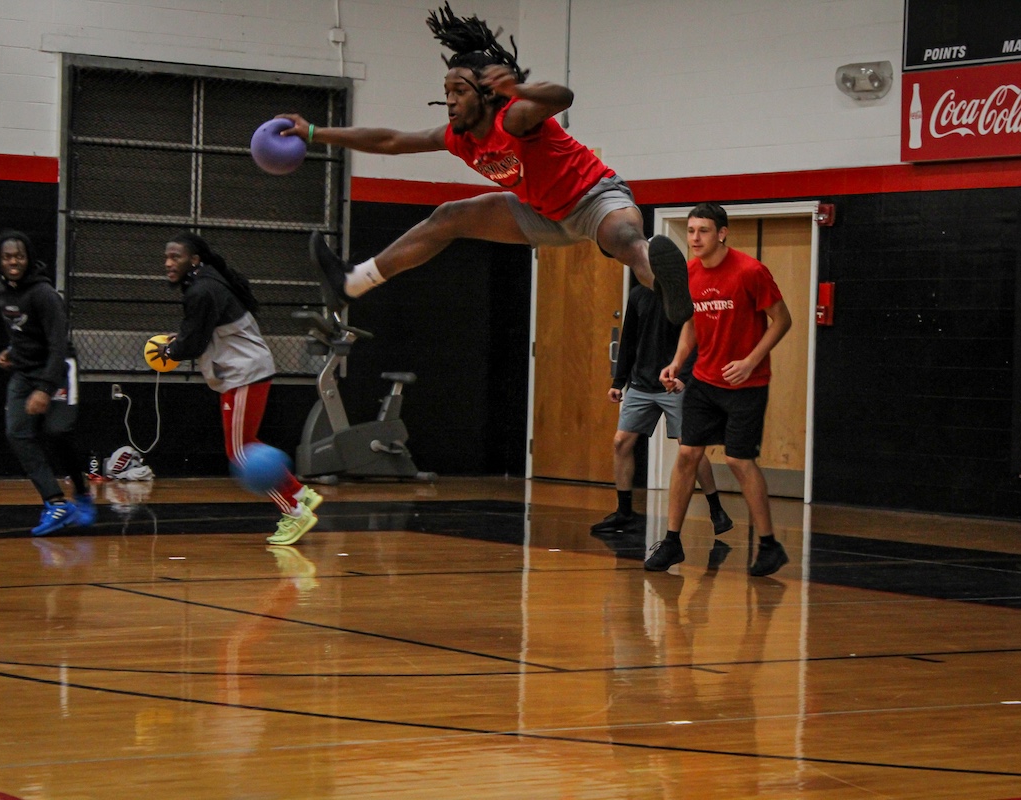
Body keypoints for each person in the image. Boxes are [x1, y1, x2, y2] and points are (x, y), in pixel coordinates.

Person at [275, 3, 691, 326]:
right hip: (541, 213)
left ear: (486, 95)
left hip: (594, 197)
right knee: (449, 216)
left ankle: (669, 292)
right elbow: (391, 140)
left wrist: (520, 87)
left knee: (624, 238)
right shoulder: (457, 138)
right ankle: (353, 282)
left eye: (459, 90)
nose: (451, 100)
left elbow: (563, 97)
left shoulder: (513, 117)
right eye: (446, 91)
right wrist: (315, 133)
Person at [643, 203, 792, 576]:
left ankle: (770, 545)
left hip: (746, 384)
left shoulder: (750, 271)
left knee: (740, 462)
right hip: (704, 382)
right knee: (687, 455)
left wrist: (751, 361)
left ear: (721, 233)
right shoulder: (689, 273)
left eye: (703, 231)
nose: (694, 238)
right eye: (691, 230)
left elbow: (782, 320)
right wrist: (677, 362)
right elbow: (692, 325)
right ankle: (672, 542)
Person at [155, 232, 321, 545]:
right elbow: (199, 334)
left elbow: (193, 342)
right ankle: (300, 493)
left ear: (194, 259)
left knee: (240, 452)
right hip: (244, 372)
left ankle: (295, 512)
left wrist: (170, 351)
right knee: (247, 445)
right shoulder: (206, 282)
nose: (167, 263)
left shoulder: (202, 289)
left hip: (244, 373)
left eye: (175, 256)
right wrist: (179, 343)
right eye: (166, 256)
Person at [591, 283, 734, 541]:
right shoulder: (638, 295)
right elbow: (629, 340)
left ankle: (716, 510)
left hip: (675, 384)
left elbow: (698, 339)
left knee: (690, 448)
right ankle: (624, 512)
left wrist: (686, 379)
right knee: (621, 442)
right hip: (641, 383)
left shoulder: (686, 294)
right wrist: (618, 381)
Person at [0, 230, 97, 535]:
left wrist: (44, 388)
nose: (14, 261)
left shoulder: (44, 294)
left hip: (58, 368)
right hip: (25, 371)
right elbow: (23, 331)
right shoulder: (0, 290)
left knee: (58, 431)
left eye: (19, 256)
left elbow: (57, 345)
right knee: (17, 433)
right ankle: (56, 503)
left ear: (28, 258)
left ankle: (82, 493)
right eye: (8, 257)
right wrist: (12, 351)